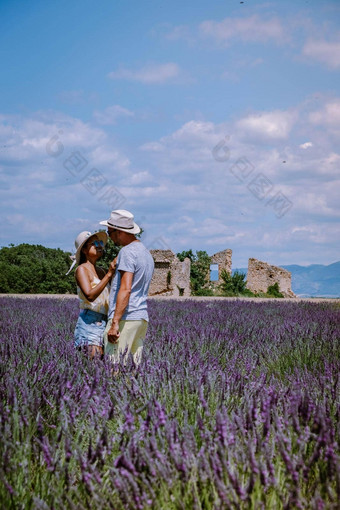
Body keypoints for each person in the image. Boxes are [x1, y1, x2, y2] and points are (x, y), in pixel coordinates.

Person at [99, 210, 154, 366]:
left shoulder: (127, 252)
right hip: (141, 318)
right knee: (133, 369)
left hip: (126, 318)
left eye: (110, 232)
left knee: (114, 368)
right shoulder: (146, 253)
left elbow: (126, 288)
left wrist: (115, 323)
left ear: (120, 231)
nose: (109, 237)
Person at [67, 230, 116, 358]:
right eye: (94, 243)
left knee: (103, 367)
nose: (99, 245)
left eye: (100, 242)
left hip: (106, 322)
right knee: (93, 367)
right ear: (84, 250)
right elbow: (90, 295)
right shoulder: (82, 269)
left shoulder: (102, 271)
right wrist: (110, 274)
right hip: (90, 323)